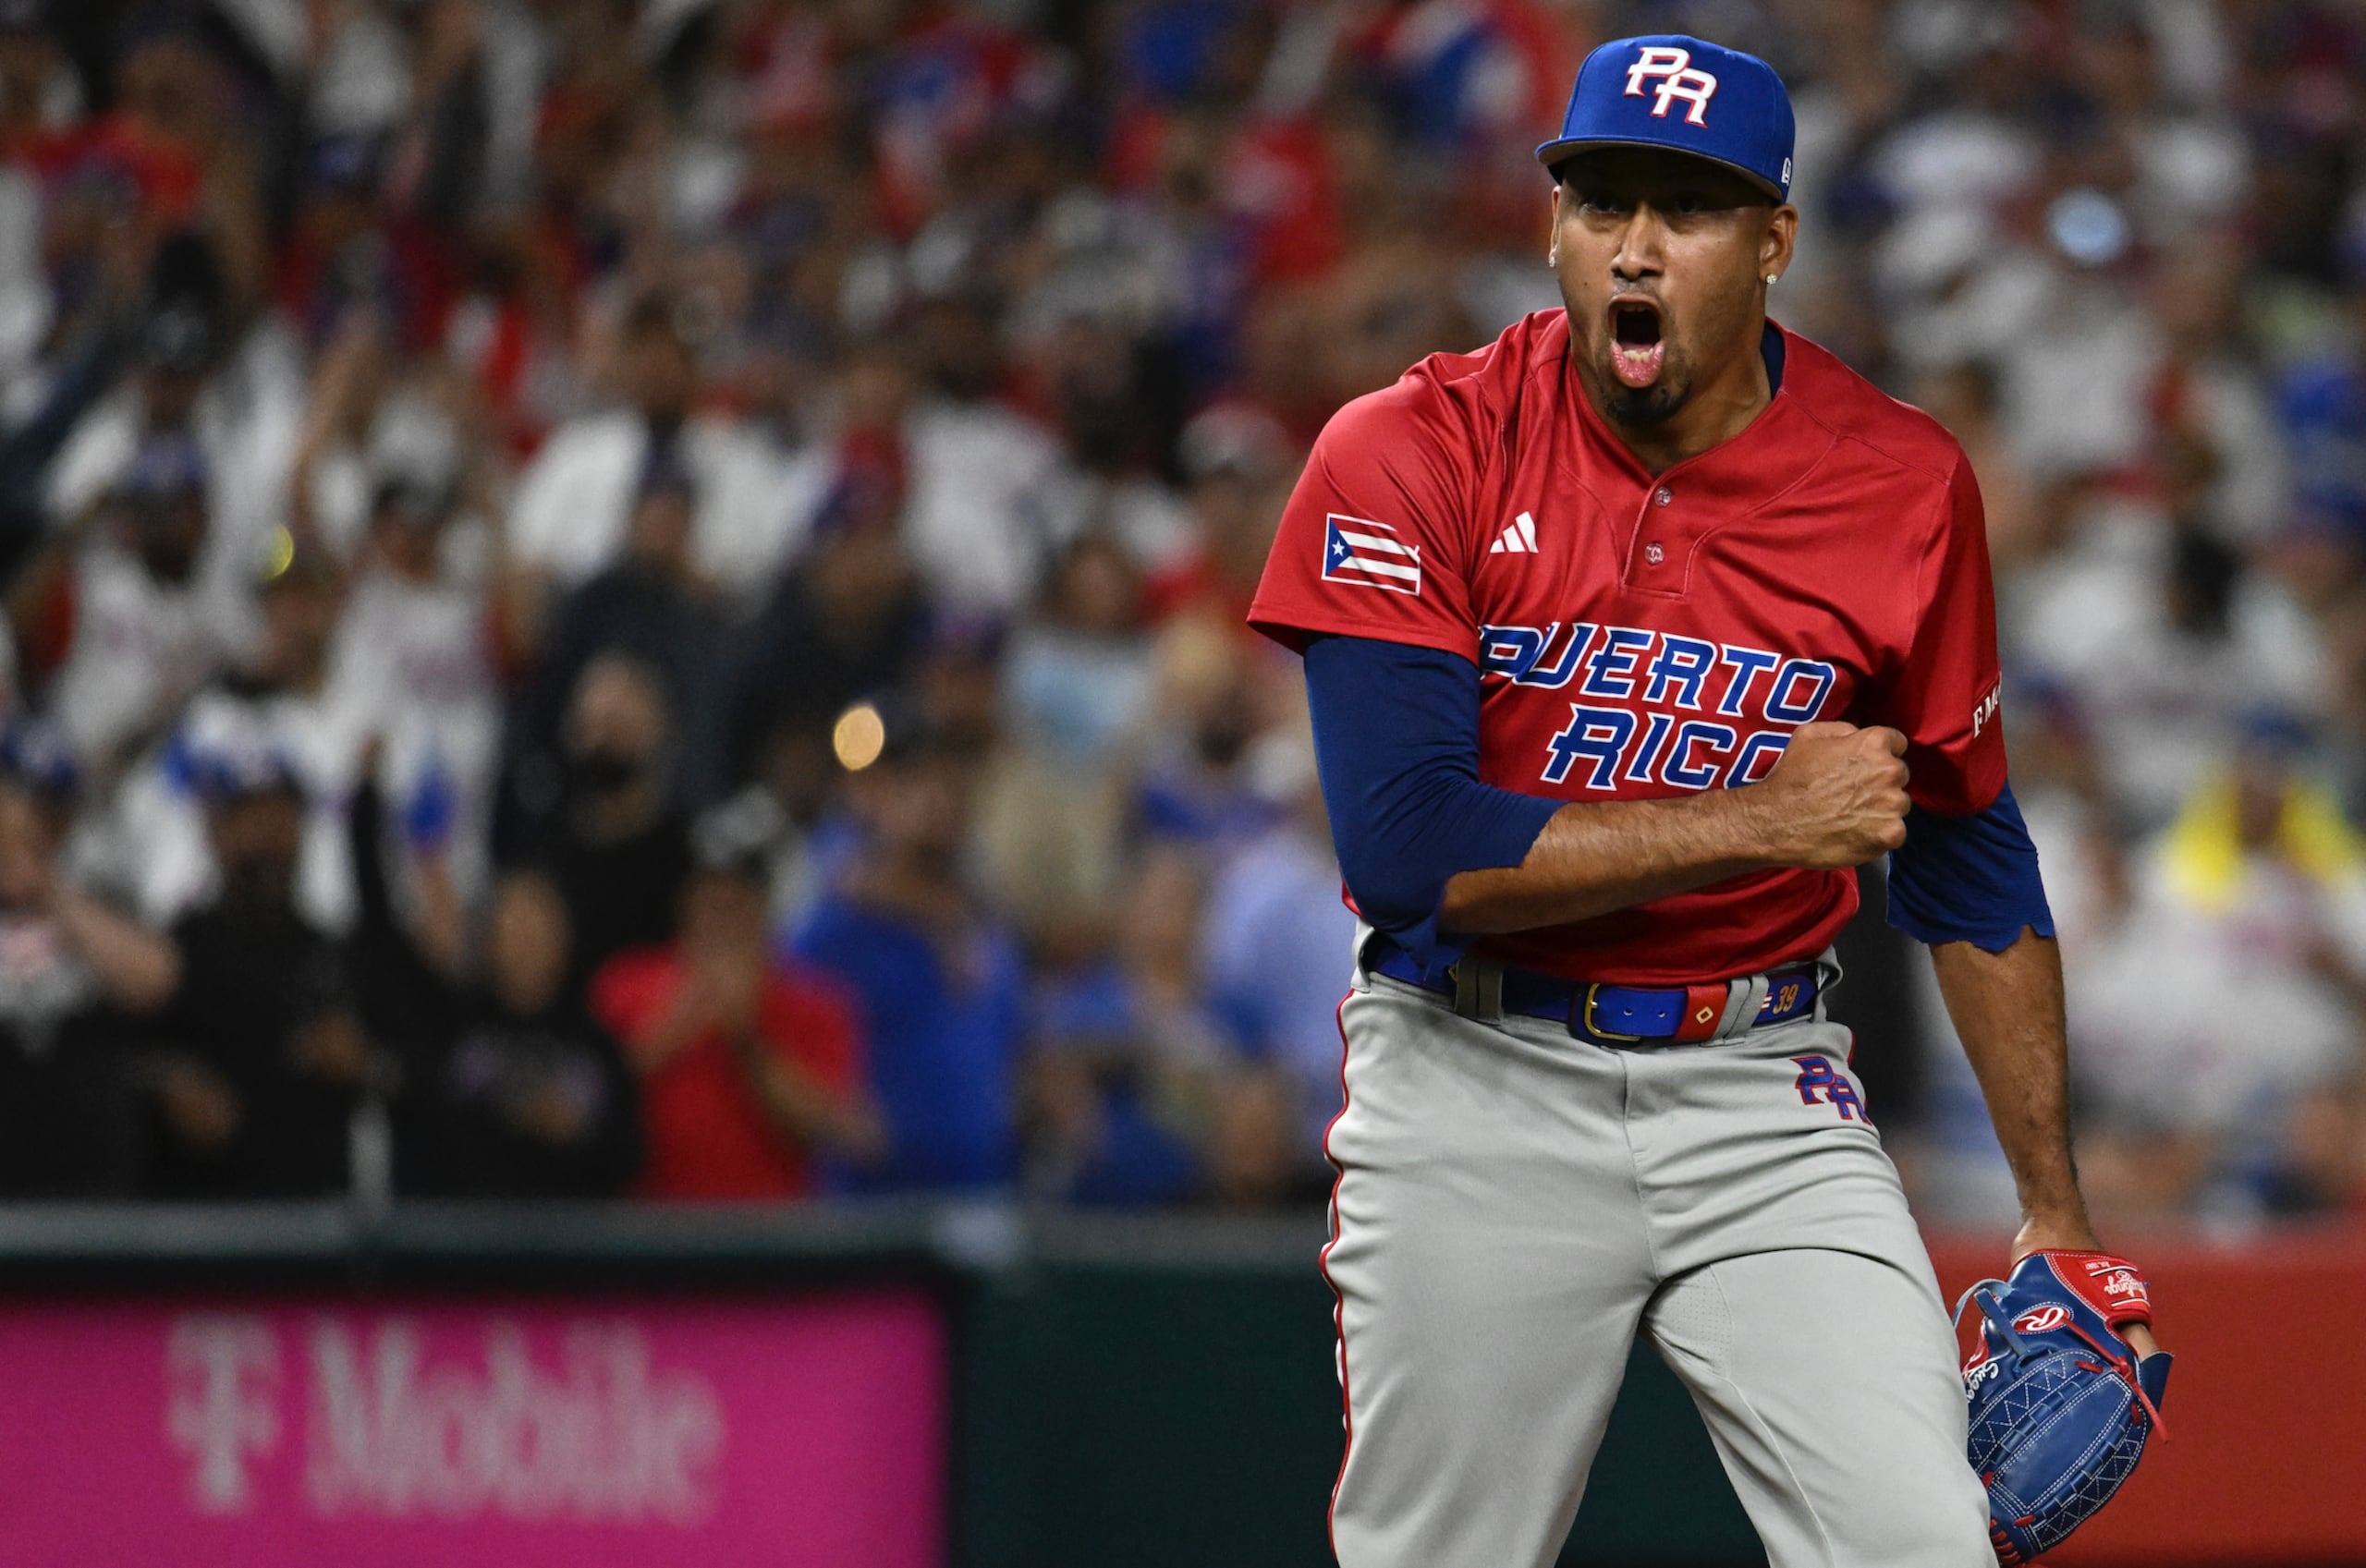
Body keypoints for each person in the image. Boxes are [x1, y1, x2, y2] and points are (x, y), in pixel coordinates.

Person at [1245, 37, 2164, 1568]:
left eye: (1691, 206)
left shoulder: (1903, 486)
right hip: (1475, 1074)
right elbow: (1411, 855)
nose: (1638, 242)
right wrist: (1759, 816)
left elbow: (1971, 853)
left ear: (1776, 244)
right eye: (1603, 199)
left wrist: (2053, 1213)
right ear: (1554, 228)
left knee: (1922, 1542)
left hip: (1762, 1087)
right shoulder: (1411, 449)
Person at [592, 803, 880, 1200]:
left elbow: (854, 1135)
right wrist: (671, 1031)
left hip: (767, 1241)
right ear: (686, 903)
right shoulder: (626, 984)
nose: (722, 917)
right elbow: (588, 1104)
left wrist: (746, 1041)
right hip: (651, 1236)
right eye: (709, 899)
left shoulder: (814, 1000)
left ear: (762, 907)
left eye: (736, 902)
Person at [140, 736, 375, 1198]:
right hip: (202, 1229)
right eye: (254, 816)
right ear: (217, 830)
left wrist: (360, 1061)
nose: (272, 836)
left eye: (284, 817)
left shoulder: (332, 953)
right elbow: (122, 1056)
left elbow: (407, 1068)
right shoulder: (176, 951)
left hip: (317, 1230)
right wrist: (167, 1083)